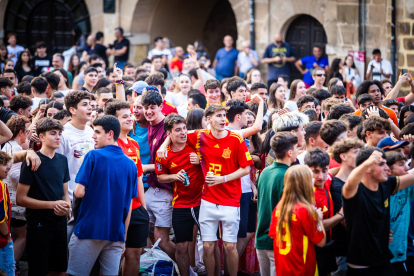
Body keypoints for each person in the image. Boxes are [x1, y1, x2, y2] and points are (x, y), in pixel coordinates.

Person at [157, 103, 253, 276]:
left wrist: (221, 179)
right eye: (219, 116)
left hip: (230, 199)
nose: (223, 119)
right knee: (207, 246)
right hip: (207, 200)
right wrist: (163, 145)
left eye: (224, 115)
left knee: (229, 246)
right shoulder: (199, 136)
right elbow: (175, 133)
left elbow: (246, 169)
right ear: (208, 119)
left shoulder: (235, 139)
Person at [67, 115, 137, 275]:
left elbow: (78, 192)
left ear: (110, 134)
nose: (93, 136)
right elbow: (129, 205)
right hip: (116, 233)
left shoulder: (93, 155)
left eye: (97, 132)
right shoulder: (131, 164)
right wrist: (123, 237)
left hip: (88, 229)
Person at [342, 147, 414, 275]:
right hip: (362, 267)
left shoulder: (386, 184)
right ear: (368, 169)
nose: (387, 168)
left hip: (383, 261)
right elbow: (350, 183)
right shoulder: (355, 191)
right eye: (381, 164)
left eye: (386, 163)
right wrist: (368, 162)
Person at [16, 117, 70, 275]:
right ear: (41, 137)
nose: (58, 137)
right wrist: (53, 204)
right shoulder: (31, 161)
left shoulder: (63, 160)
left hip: (59, 223)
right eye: (53, 133)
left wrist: (66, 208)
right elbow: (21, 199)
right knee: (39, 270)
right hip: (38, 224)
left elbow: (65, 193)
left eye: (60, 133)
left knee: (60, 270)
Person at [155, 113, 204, 276]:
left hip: (204, 201)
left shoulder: (193, 141)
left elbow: (213, 156)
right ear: (168, 134)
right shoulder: (163, 154)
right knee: (181, 246)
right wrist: (173, 177)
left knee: (211, 244)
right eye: (178, 130)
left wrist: (200, 159)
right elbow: (160, 176)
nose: (183, 132)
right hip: (181, 204)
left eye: (184, 128)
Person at [103, 101, 148, 276]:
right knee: (113, 256)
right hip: (117, 210)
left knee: (134, 254)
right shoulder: (108, 146)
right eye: (125, 116)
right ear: (114, 121)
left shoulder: (134, 144)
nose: (130, 118)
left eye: (130, 115)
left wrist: (143, 209)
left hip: (136, 209)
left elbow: (139, 177)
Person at [269, 165, 326, 275]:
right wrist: (318, 217)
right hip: (302, 269)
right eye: (311, 178)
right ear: (305, 184)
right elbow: (321, 242)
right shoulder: (305, 210)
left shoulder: (279, 206)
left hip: (283, 269)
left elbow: (272, 234)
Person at [256, 132, 298, 276]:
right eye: (297, 148)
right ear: (290, 152)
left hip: (261, 239)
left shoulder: (265, 171)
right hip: (278, 242)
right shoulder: (287, 175)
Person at [141, 90, 176, 260]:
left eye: (152, 108)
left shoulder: (167, 128)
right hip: (153, 189)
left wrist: (145, 167)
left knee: (161, 241)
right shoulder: (149, 123)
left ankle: (187, 270)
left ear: (161, 106)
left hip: (166, 190)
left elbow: (172, 163)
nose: (148, 111)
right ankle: (151, 267)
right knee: (139, 231)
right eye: (145, 108)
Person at [330, 138, 364, 275]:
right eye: (356, 152)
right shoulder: (336, 186)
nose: (361, 156)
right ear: (343, 156)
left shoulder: (360, 182)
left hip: (358, 250)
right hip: (343, 252)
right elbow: (346, 220)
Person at [3, 116, 30, 270]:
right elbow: (14, 174)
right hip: (16, 202)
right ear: (21, 132)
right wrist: (30, 180)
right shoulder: (16, 148)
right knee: (21, 237)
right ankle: (9, 268)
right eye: (27, 131)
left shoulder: (7, 144)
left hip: (9, 201)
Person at [384, 151, 413, 275]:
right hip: (379, 255)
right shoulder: (379, 188)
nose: (407, 167)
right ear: (387, 169)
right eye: (401, 164)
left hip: (399, 253)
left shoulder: (408, 187)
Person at [0, 151, 14, 276]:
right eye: (4, 164)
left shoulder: (2, 185)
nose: (8, 167)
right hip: (2, 241)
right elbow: (0, 218)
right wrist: (7, 236)